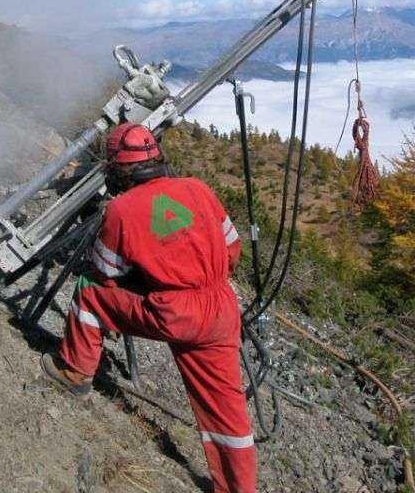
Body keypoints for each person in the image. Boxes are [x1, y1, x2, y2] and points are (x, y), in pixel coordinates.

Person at [41, 122, 256, 493]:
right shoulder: (198, 189)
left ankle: (75, 373)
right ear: (157, 157)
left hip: (173, 312)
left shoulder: (121, 209)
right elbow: (232, 248)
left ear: (117, 168)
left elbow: (106, 273)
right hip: (222, 306)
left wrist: (151, 278)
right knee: (226, 409)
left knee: (89, 293)